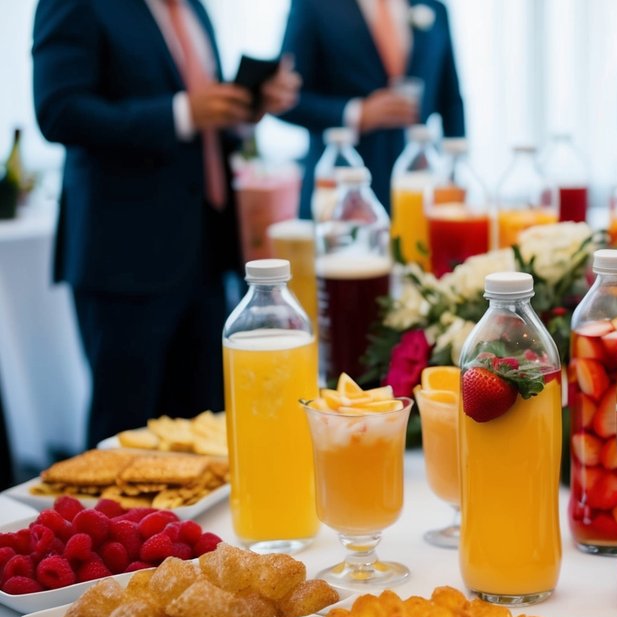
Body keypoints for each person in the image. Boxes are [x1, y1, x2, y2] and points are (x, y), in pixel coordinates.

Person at [32, 0, 299, 448]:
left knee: (205, 429)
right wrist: (181, 113)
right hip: (123, 256)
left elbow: (202, 120)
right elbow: (59, 110)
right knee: (126, 434)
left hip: (206, 252)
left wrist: (242, 110)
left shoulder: (192, 8)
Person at [281, 0, 466, 216]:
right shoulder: (313, 5)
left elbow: (451, 100)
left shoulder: (435, 9)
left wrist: (455, 173)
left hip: (421, 187)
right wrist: (358, 114)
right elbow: (285, 99)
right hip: (341, 191)